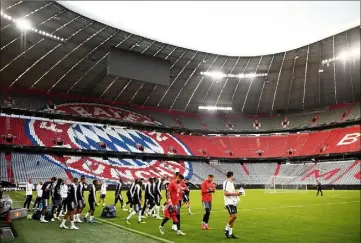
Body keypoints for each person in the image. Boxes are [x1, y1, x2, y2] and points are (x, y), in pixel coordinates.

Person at [223, 171, 241, 238]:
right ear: (231, 175)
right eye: (233, 176)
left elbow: (232, 192)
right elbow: (225, 193)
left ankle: (230, 233)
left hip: (233, 202)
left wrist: (238, 194)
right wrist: (235, 194)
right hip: (228, 202)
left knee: (232, 217)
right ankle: (226, 229)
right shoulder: (226, 182)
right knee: (234, 216)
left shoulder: (231, 183)